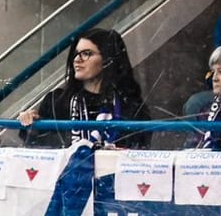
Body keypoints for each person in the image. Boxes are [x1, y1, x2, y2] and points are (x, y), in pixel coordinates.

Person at [16, 28, 154, 149]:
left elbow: (138, 149)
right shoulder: (55, 101)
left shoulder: (129, 105)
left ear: (108, 60)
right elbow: (40, 148)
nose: (77, 59)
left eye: (87, 53)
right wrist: (31, 124)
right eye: (76, 53)